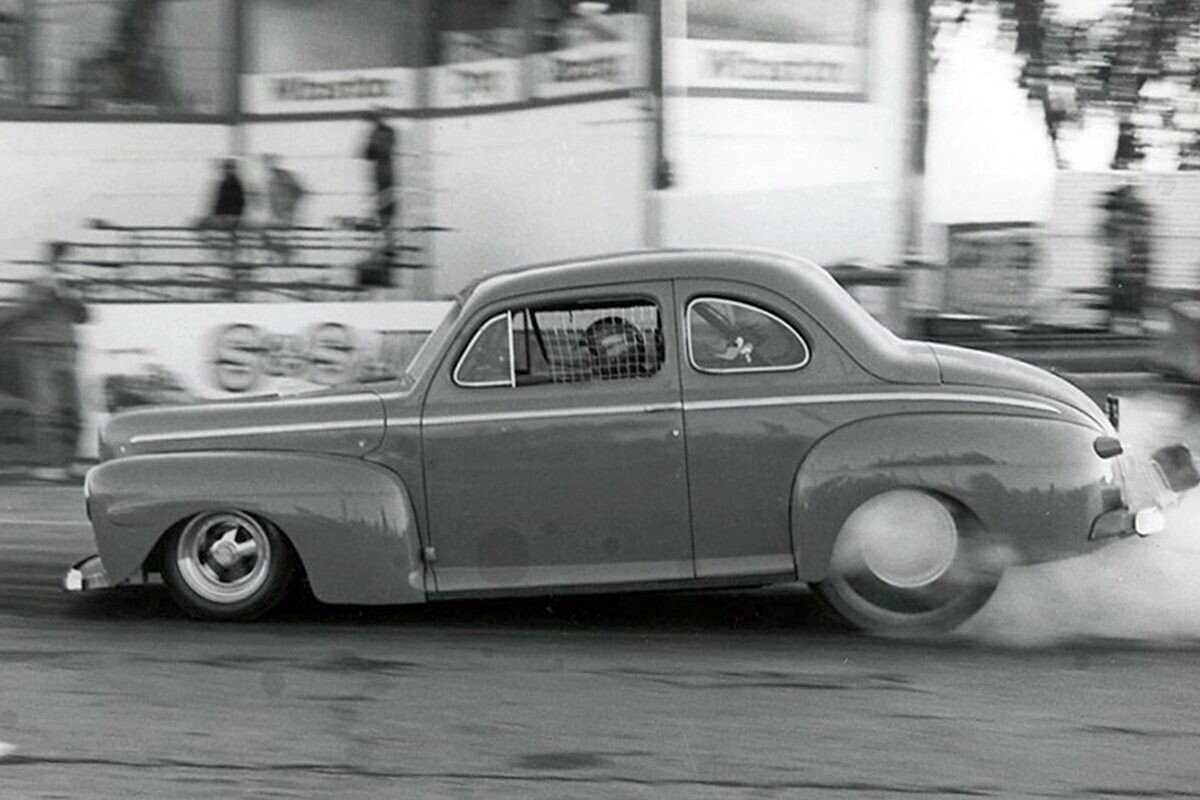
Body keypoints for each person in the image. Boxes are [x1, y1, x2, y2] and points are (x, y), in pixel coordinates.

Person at [9, 242, 88, 481]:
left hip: (66, 351)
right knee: (46, 410)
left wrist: (71, 295)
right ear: (51, 262)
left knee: (71, 410)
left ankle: (68, 461)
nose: (66, 265)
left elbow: (83, 317)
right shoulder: (35, 286)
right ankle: (47, 464)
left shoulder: (70, 289)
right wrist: (48, 289)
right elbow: (24, 310)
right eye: (62, 260)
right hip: (39, 352)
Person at [361, 108, 398, 258]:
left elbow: (369, 154)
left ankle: (388, 242)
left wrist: (373, 144)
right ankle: (388, 242)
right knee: (384, 211)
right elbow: (368, 154)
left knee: (384, 211)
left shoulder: (379, 133)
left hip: (383, 175)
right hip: (384, 175)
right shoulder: (386, 132)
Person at [261, 154, 307, 264]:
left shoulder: (284, 176)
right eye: (266, 164)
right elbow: (272, 199)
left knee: (280, 234)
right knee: (268, 234)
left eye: (268, 163)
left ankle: (284, 255)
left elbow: (300, 191)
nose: (267, 166)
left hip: (285, 214)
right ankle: (280, 254)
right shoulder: (271, 180)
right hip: (278, 214)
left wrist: (291, 206)